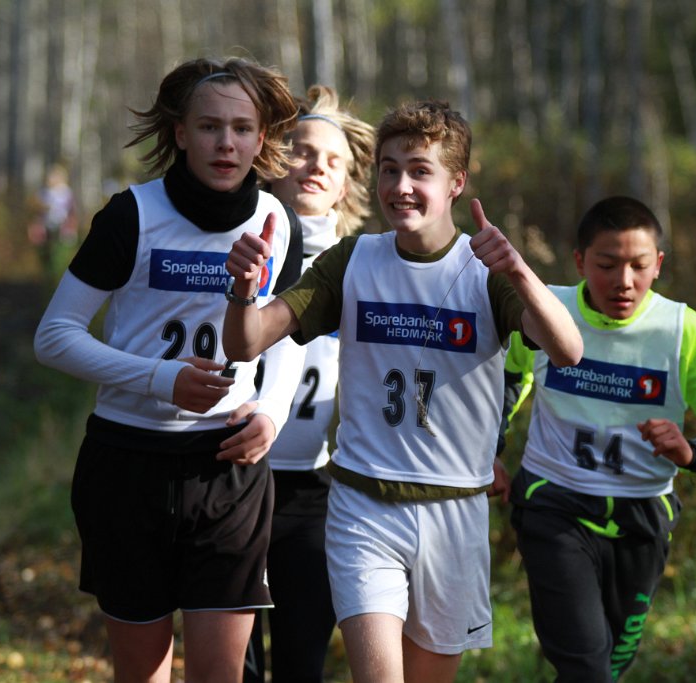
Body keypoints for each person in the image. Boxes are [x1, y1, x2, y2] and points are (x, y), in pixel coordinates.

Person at [221, 99, 585, 683]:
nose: (401, 187)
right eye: (389, 170)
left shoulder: (485, 269)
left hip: (455, 510)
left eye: (420, 171)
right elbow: (246, 342)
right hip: (362, 505)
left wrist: (519, 271)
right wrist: (243, 290)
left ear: (456, 183)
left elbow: (568, 351)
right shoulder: (353, 259)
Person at [33, 56, 300, 682]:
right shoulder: (131, 215)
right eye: (209, 127)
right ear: (181, 133)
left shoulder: (275, 220)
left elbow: (287, 337)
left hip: (227, 467)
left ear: (260, 138)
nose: (226, 143)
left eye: (241, 128)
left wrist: (271, 412)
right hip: (128, 464)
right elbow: (54, 336)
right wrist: (161, 378)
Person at [506, 196, 696, 681]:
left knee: (613, 661)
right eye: (606, 265)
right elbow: (504, 381)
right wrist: (487, 453)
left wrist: (691, 452)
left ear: (658, 265)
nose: (623, 281)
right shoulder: (546, 309)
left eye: (638, 266)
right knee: (585, 665)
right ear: (580, 261)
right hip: (554, 502)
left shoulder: (682, 331)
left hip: (642, 514)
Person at [244, 85, 376, 683]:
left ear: (346, 184)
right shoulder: (238, 244)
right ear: (273, 160)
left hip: (317, 490)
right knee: (235, 664)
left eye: (333, 160)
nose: (316, 165)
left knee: (302, 663)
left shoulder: (366, 264)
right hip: (233, 474)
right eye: (301, 150)